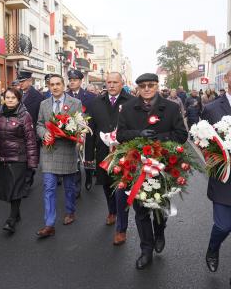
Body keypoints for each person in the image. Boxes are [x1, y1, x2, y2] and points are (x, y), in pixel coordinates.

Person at [116, 73, 188, 270]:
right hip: (138, 167)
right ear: (138, 88)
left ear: (157, 86)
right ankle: (146, 250)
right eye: (142, 86)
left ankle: (160, 231)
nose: (146, 89)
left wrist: (159, 138)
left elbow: (182, 135)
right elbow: (120, 135)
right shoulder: (128, 108)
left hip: (164, 166)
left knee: (160, 205)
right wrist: (139, 134)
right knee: (140, 211)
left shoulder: (171, 107)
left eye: (150, 85)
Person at [85, 72, 133, 245]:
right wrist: (88, 155)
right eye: (109, 82)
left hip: (125, 153)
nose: (112, 85)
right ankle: (112, 211)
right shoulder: (96, 102)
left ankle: (121, 228)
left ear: (122, 83)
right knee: (106, 184)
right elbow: (90, 130)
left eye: (115, 82)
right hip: (103, 153)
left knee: (121, 190)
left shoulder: (131, 102)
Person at [36, 74, 82, 238]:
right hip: (49, 151)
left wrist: (68, 132)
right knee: (49, 188)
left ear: (64, 86)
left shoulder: (75, 103)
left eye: (57, 84)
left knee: (69, 187)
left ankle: (70, 211)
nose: (54, 87)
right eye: (51, 84)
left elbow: (79, 126)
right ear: (48, 87)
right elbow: (39, 124)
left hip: (67, 150)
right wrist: (44, 135)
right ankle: (49, 224)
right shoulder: (44, 104)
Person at [0, 88, 38, 233]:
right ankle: (17, 213)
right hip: (2, 156)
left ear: (18, 99)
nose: (9, 100)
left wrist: (32, 162)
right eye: (7, 97)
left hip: (18, 157)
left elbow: (31, 140)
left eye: (13, 98)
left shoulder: (25, 115)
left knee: (15, 188)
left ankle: (11, 219)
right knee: (7, 188)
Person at [201, 68, 231, 273]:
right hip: (224, 177)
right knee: (223, 226)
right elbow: (201, 140)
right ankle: (213, 249)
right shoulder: (212, 108)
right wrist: (217, 158)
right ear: (227, 79)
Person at [67, 69, 96, 196]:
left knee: (87, 158)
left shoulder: (90, 97)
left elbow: (94, 115)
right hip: (72, 134)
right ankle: (76, 188)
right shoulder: (65, 96)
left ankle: (89, 176)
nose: (72, 82)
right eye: (70, 80)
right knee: (76, 161)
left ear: (81, 81)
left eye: (75, 80)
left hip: (87, 133)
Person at [18, 70, 44, 189]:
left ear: (30, 81)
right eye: (20, 81)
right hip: (17, 133)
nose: (21, 84)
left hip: (32, 133)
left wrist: (39, 134)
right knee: (21, 158)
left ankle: (27, 182)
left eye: (23, 81)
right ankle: (23, 180)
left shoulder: (38, 97)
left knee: (30, 159)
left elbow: (41, 117)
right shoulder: (17, 94)